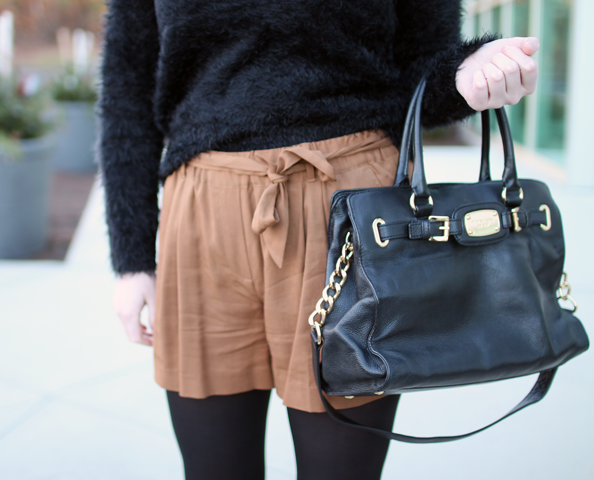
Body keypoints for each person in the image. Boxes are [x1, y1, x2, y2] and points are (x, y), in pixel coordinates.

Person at [96, 1, 539, 478]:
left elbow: (422, 75)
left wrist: (465, 73)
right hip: (205, 219)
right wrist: (132, 255)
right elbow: (127, 89)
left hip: (350, 220)